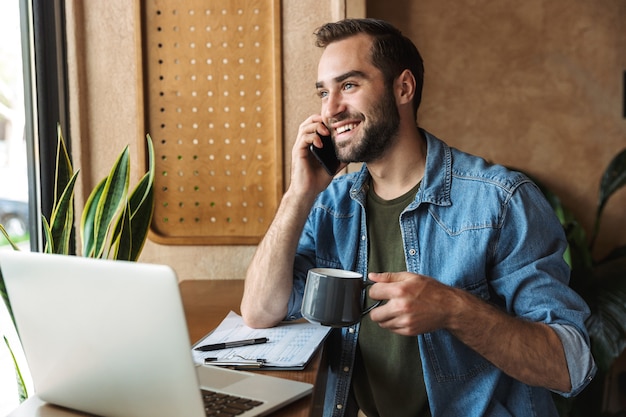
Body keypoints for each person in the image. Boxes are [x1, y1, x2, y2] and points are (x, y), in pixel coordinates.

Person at [241, 18, 596, 417]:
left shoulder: (501, 200)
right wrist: (298, 193)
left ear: (403, 88)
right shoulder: (330, 204)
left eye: (350, 85)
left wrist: (452, 309)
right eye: (324, 92)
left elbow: (570, 365)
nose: (331, 109)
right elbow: (260, 311)